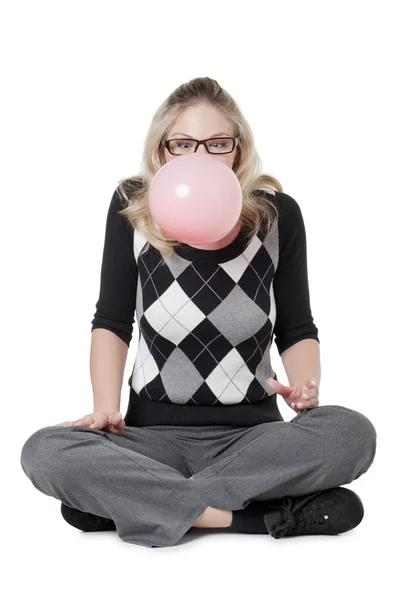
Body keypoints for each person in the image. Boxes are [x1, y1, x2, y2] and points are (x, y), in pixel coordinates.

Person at [20, 76, 377, 548]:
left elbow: (297, 327)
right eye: (184, 144)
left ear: (238, 150)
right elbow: (111, 320)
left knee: (352, 433)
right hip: (149, 441)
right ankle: (252, 517)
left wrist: (307, 389)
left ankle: (133, 506)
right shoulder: (133, 208)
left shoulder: (277, 216)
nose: (200, 157)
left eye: (217, 144)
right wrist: (105, 409)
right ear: (162, 151)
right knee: (46, 451)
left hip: (253, 440)